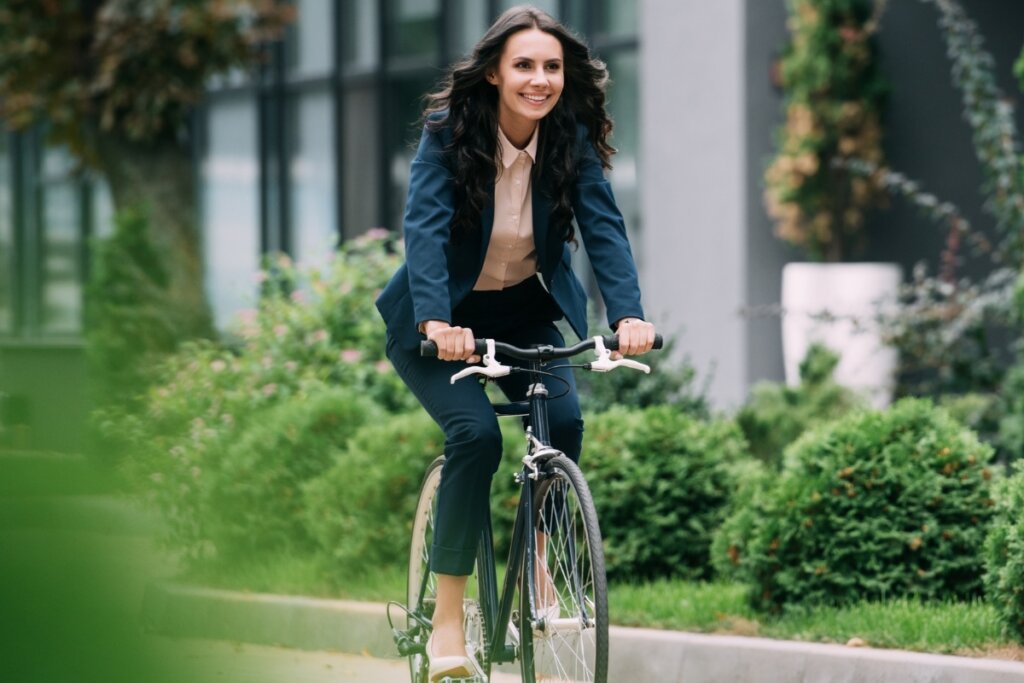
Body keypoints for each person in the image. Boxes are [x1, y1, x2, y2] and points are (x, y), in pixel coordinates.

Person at [375, 5, 656, 681]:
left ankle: (539, 557)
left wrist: (628, 315)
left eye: (552, 66)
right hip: (443, 325)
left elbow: (604, 227)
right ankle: (447, 621)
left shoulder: (570, 136)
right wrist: (438, 323)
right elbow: (428, 227)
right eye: (524, 65)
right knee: (476, 438)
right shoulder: (450, 134)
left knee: (563, 420)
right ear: (496, 72)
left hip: (525, 314)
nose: (540, 79)